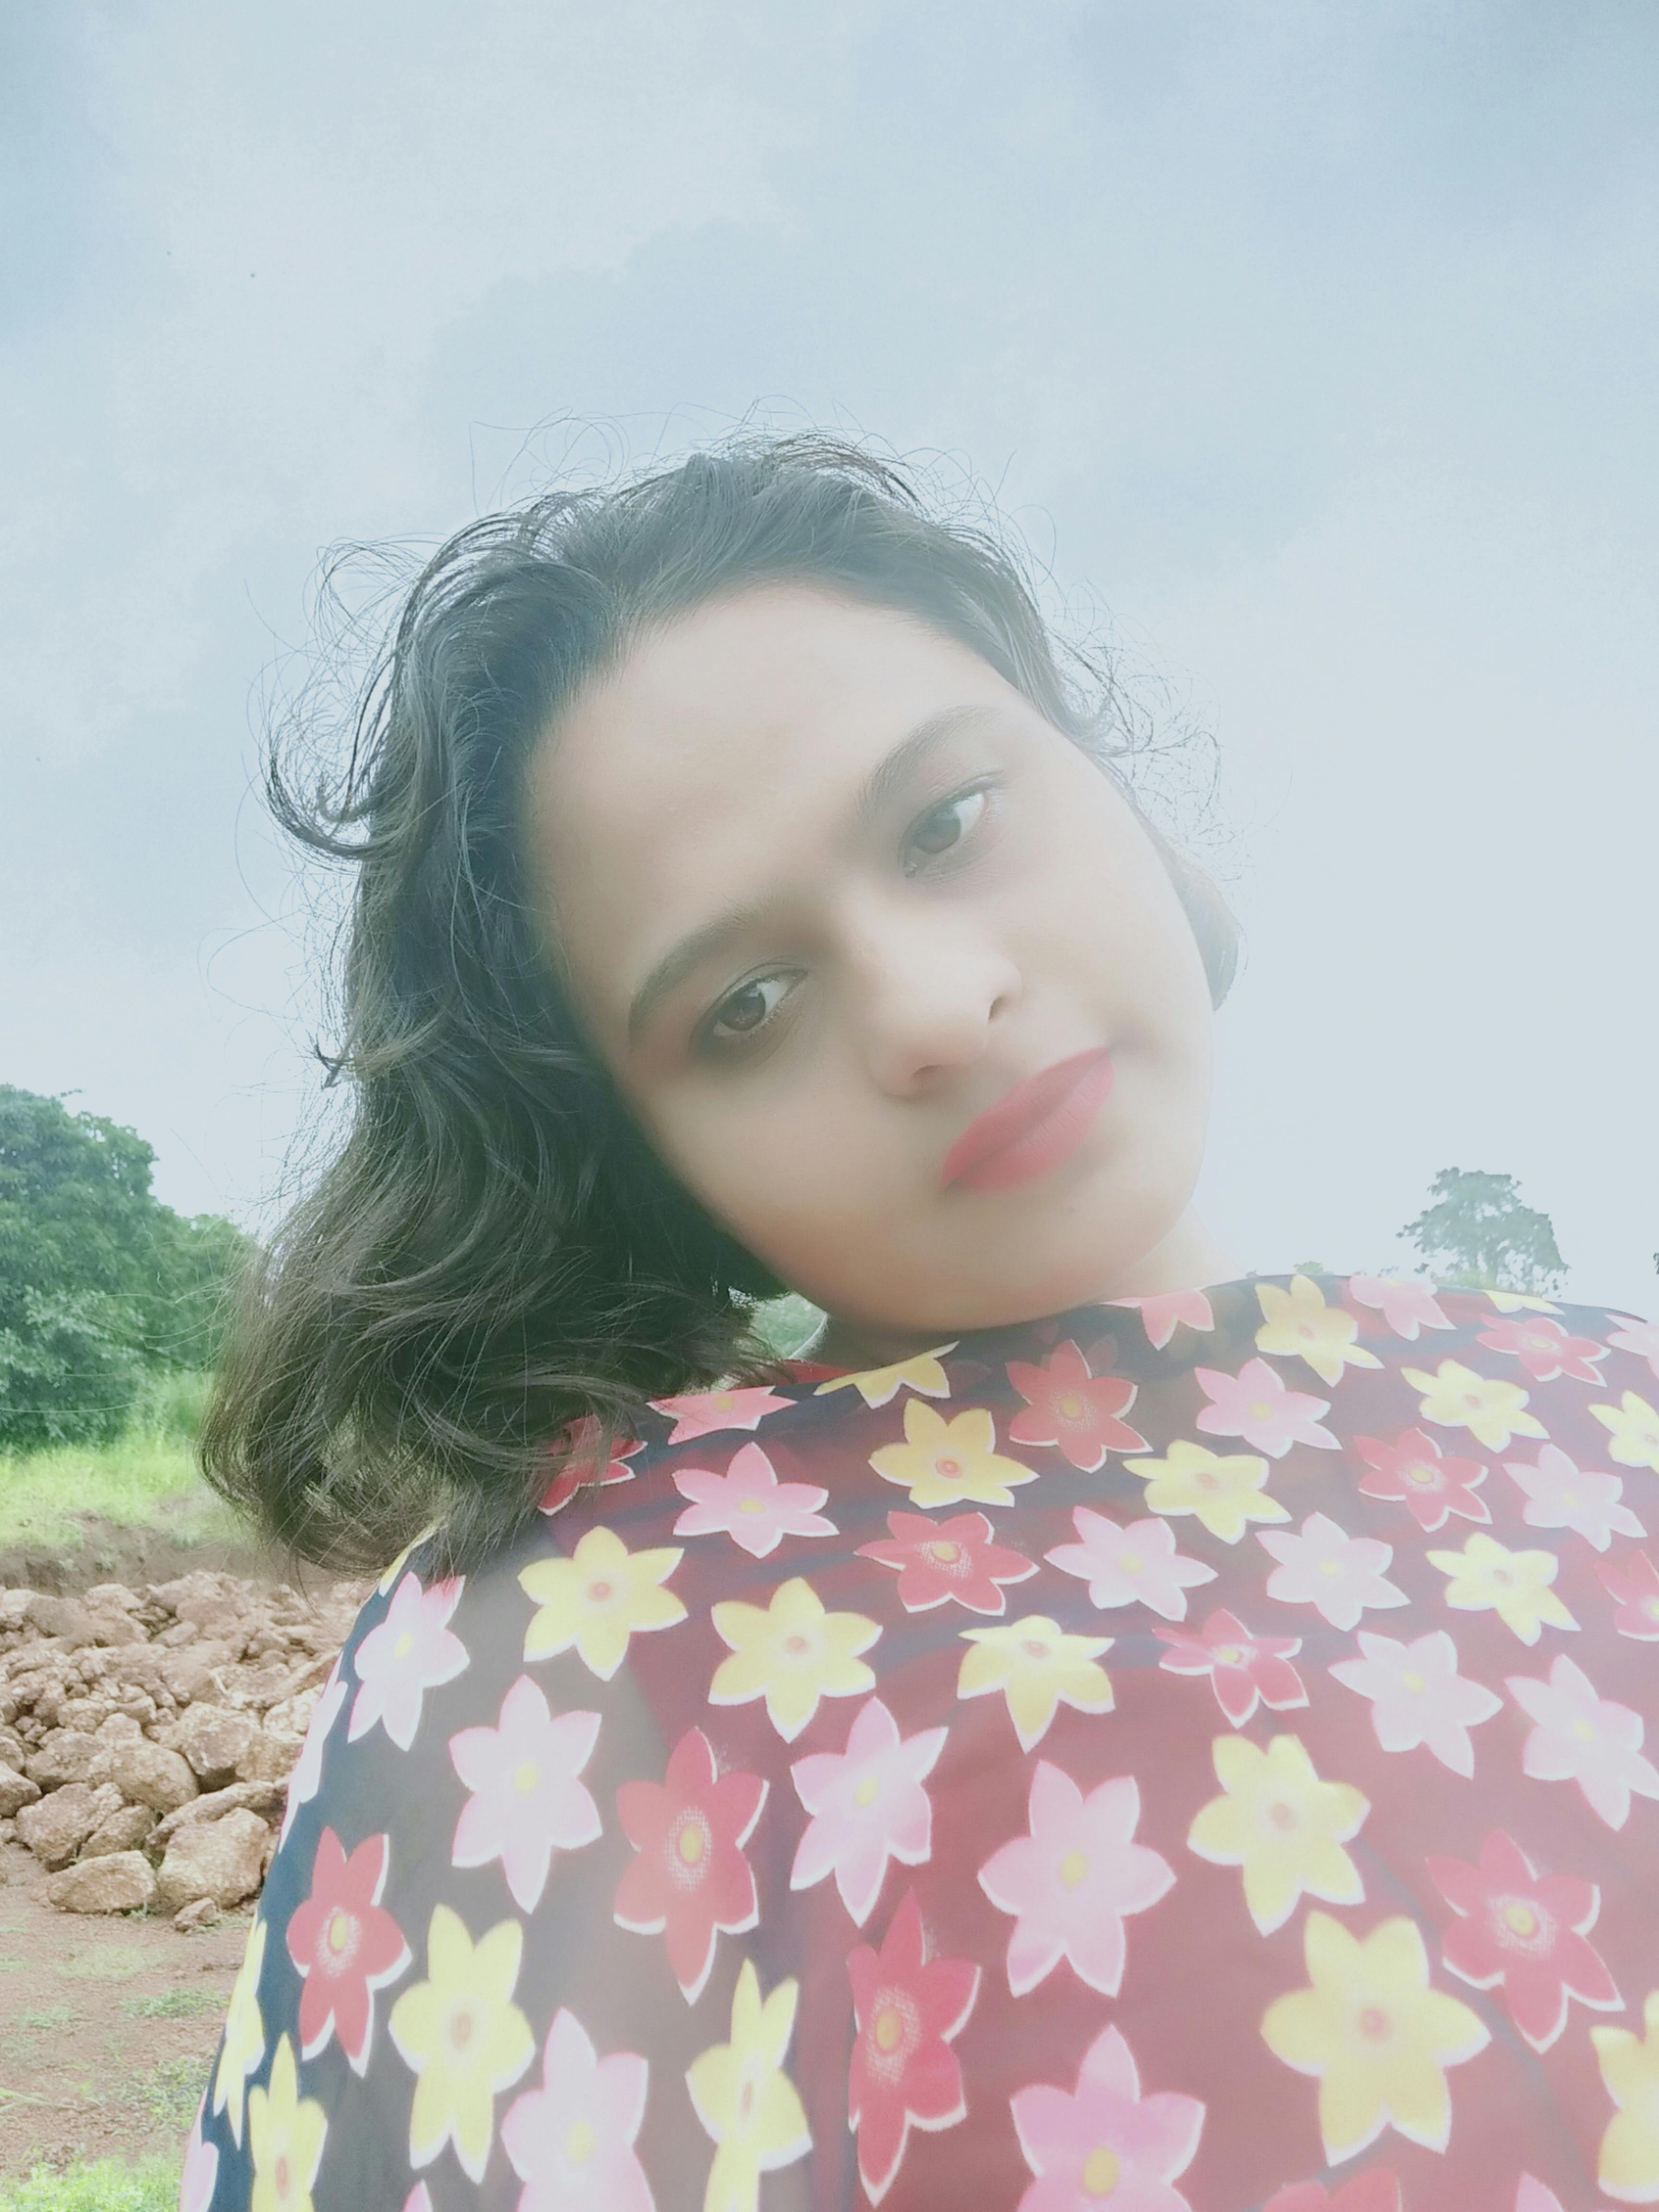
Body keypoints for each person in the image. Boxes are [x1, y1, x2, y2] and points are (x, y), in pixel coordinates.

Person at [187, 437, 1659, 2212]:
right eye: (746, 1003)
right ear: (650, 1163)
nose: (939, 1008)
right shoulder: (587, 1640)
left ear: (1107, 778)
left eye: (950, 823)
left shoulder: (1608, 1408)